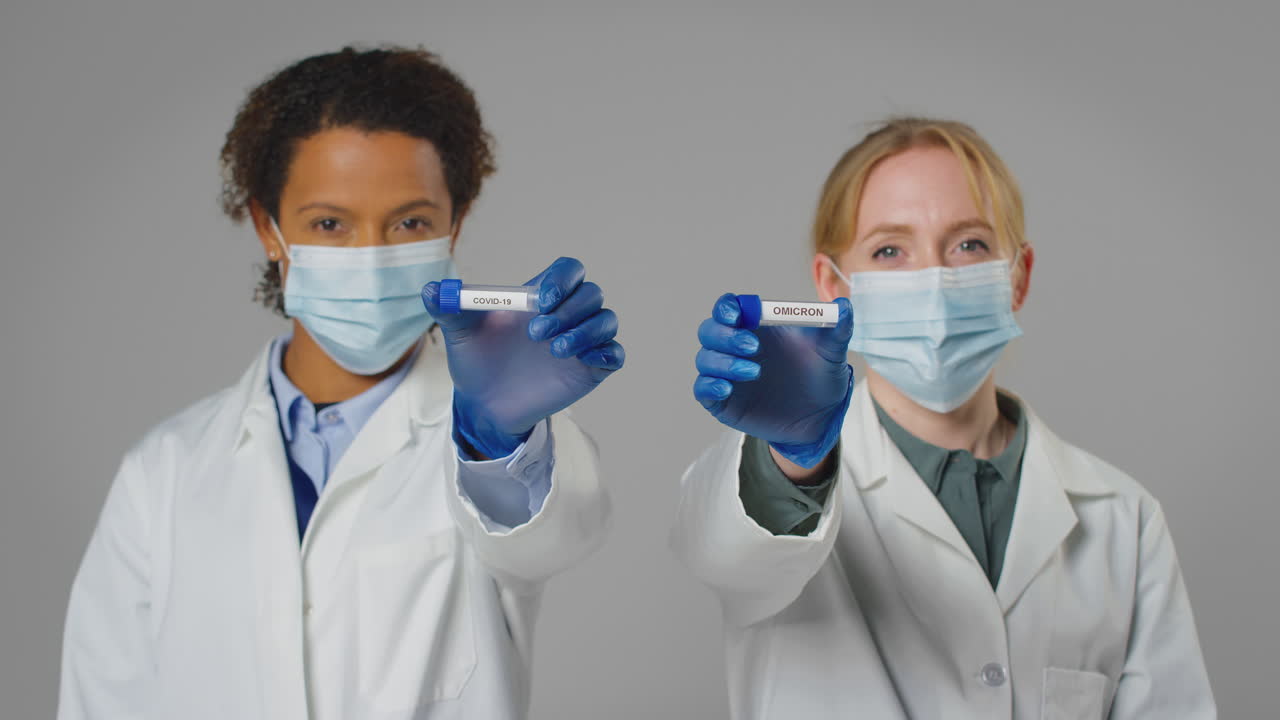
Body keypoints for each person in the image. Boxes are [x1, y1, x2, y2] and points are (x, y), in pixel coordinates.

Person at [58, 46, 623, 720]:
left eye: (410, 222)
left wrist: (497, 445)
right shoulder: (165, 471)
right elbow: (102, 700)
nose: (372, 255)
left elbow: (556, 535)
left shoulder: (497, 430)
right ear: (270, 229)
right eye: (329, 224)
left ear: (456, 223)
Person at [674, 117, 1214, 719]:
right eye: (889, 250)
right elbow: (723, 550)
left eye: (969, 245)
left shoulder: (1123, 517)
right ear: (832, 286)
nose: (933, 279)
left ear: (1019, 277)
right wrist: (791, 463)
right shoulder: (778, 473)